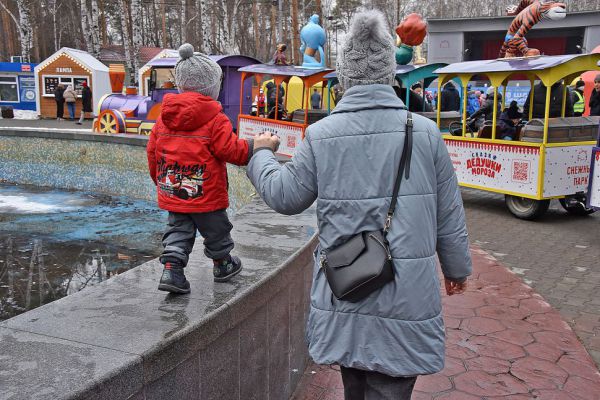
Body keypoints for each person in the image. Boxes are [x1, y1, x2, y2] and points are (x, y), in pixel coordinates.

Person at [247, 10, 471, 400]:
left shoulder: (321, 134)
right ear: (390, 75)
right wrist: (456, 268)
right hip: (407, 296)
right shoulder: (426, 133)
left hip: (349, 288)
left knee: (355, 381)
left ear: (344, 79)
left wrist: (261, 155)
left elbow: (285, 195)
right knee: (392, 386)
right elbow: (448, 213)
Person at [146, 43, 253, 294]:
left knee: (177, 230)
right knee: (216, 230)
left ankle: (172, 271)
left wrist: (163, 184)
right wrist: (254, 147)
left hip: (174, 190)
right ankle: (223, 264)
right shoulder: (216, 119)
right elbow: (232, 151)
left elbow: (152, 154)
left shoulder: (164, 119)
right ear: (212, 87)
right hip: (206, 194)